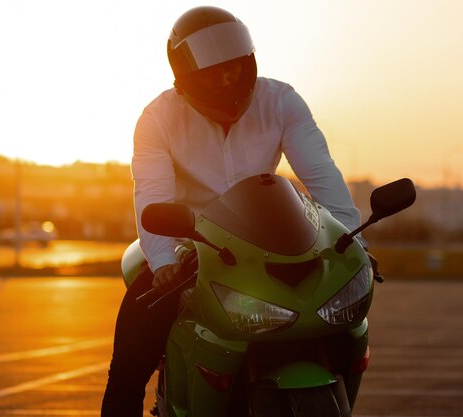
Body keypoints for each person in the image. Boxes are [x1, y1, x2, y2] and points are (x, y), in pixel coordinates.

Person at [101, 6, 369, 417]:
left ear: (250, 62)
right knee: (130, 359)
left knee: (338, 320)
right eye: (213, 73)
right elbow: (152, 195)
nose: (227, 80)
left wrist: (352, 238)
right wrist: (162, 260)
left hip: (268, 241)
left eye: (235, 68)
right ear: (185, 79)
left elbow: (322, 176)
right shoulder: (157, 118)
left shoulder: (281, 101)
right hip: (189, 243)